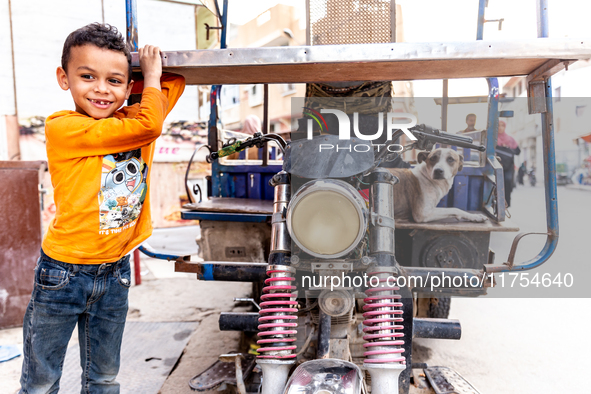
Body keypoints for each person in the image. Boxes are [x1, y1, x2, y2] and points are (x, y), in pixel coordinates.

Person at [19, 23, 185, 393]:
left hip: (114, 272)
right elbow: (154, 118)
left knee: (104, 378)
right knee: (41, 382)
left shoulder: (132, 120)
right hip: (63, 273)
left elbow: (174, 82)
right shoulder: (64, 127)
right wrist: (149, 77)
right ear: (64, 78)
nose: (100, 88)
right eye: (87, 76)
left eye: (114, 80)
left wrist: (145, 73)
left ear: (129, 88)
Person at [496, 120, 521, 207]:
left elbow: (518, 151)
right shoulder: (493, 138)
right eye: (498, 125)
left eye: (502, 125)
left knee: (507, 182)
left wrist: (507, 149)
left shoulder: (510, 139)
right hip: (496, 165)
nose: (500, 127)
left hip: (508, 167)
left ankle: (506, 204)